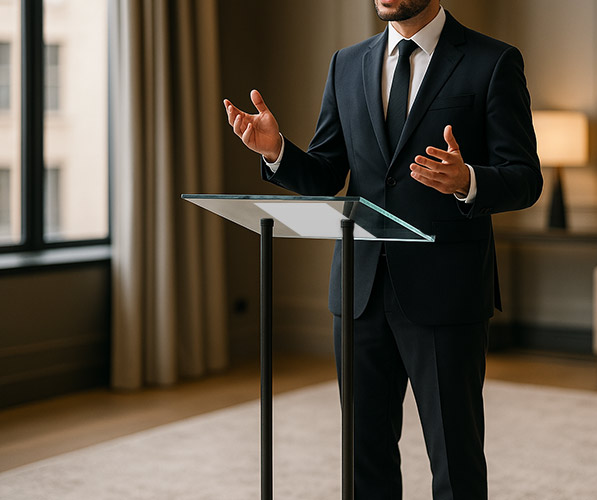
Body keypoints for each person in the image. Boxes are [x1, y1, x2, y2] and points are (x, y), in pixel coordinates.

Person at [224, 1, 542, 498]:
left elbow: (525, 179)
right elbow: (329, 174)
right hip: (358, 291)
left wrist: (468, 181)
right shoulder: (346, 63)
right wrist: (277, 151)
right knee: (363, 457)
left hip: (446, 293)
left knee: (454, 459)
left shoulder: (492, 60)